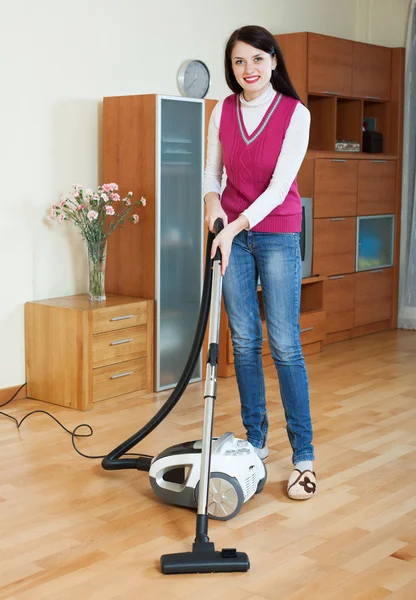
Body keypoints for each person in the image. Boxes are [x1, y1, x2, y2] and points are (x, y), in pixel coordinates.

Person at [203, 25, 316, 500]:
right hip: (233, 234)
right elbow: (213, 174)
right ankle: (255, 443)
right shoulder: (223, 110)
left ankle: (304, 458)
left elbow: (276, 189)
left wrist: (231, 228)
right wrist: (214, 210)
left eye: (256, 59)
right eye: (237, 62)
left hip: (275, 233)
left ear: (273, 61)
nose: (247, 70)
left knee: (285, 343)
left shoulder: (295, 114)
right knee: (244, 341)